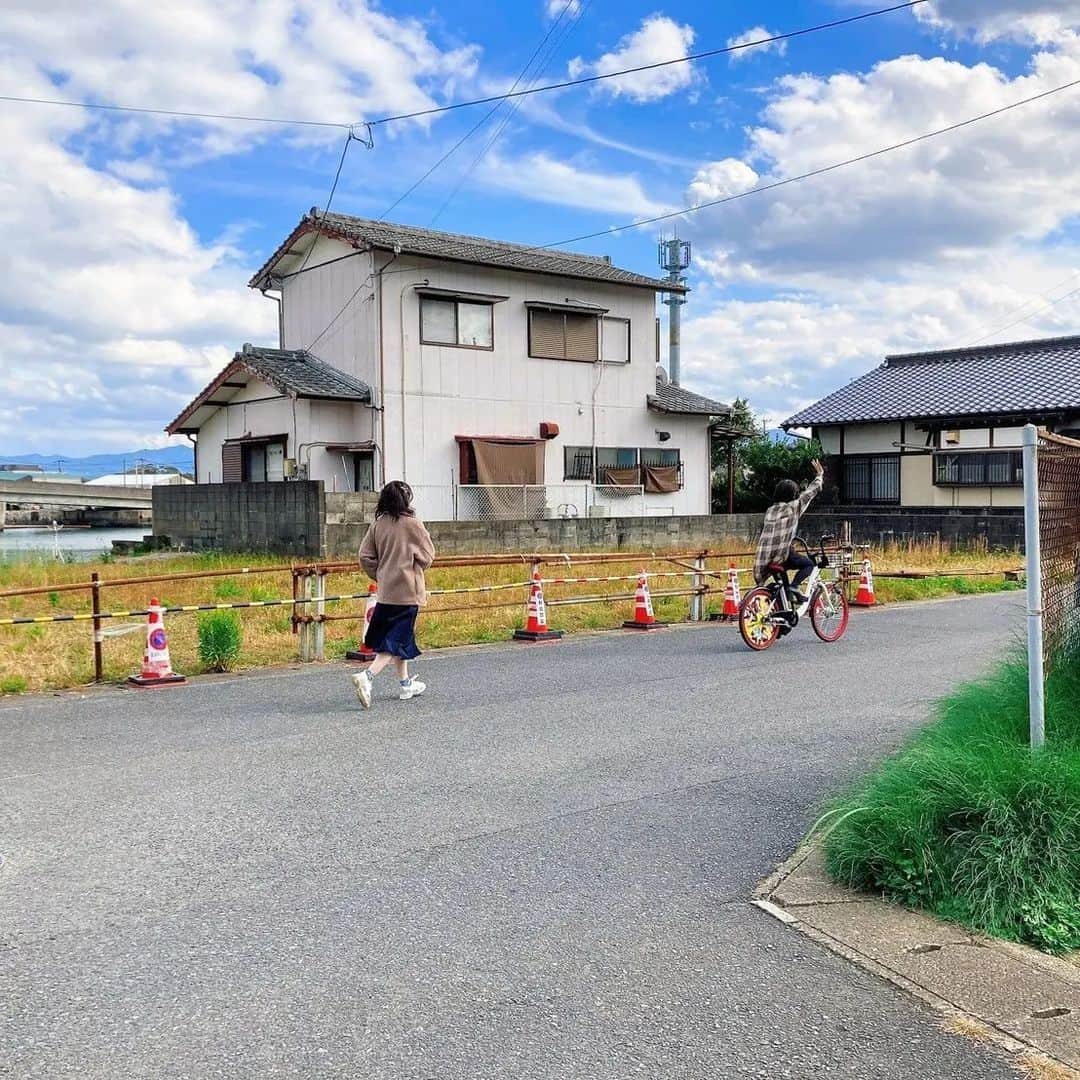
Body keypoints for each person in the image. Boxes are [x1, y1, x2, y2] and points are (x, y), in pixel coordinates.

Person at [351, 480, 435, 709]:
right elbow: (428, 556)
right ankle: (367, 676)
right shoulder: (413, 524)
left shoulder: (378, 524)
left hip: (386, 593)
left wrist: (381, 574)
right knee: (394, 642)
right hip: (408, 592)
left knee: (401, 639)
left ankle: (406, 683)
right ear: (406, 499)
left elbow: (365, 556)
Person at [752, 460, 825, 606]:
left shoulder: (770, 511)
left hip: (766, 559)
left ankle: (784, 607)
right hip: (782, 556)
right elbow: (810, 492)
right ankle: (795, 586)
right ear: (793, 495)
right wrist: (820, 475)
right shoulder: (793, 507)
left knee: (783, 589)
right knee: (809, 564)